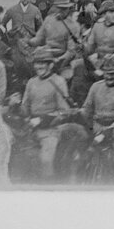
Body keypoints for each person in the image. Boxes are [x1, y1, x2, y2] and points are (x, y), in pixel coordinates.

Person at [22, 48, 75, 178]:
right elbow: (25, 108)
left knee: (46, 161)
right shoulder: (31, 82)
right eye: (36, 63)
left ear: (51, 65)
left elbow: (64, 112)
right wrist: (16, 106)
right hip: (30, 129)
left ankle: (48, 185)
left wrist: (42, 119)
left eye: (43, 63)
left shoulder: (58, 81)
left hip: (50, 130)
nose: (38, 66)